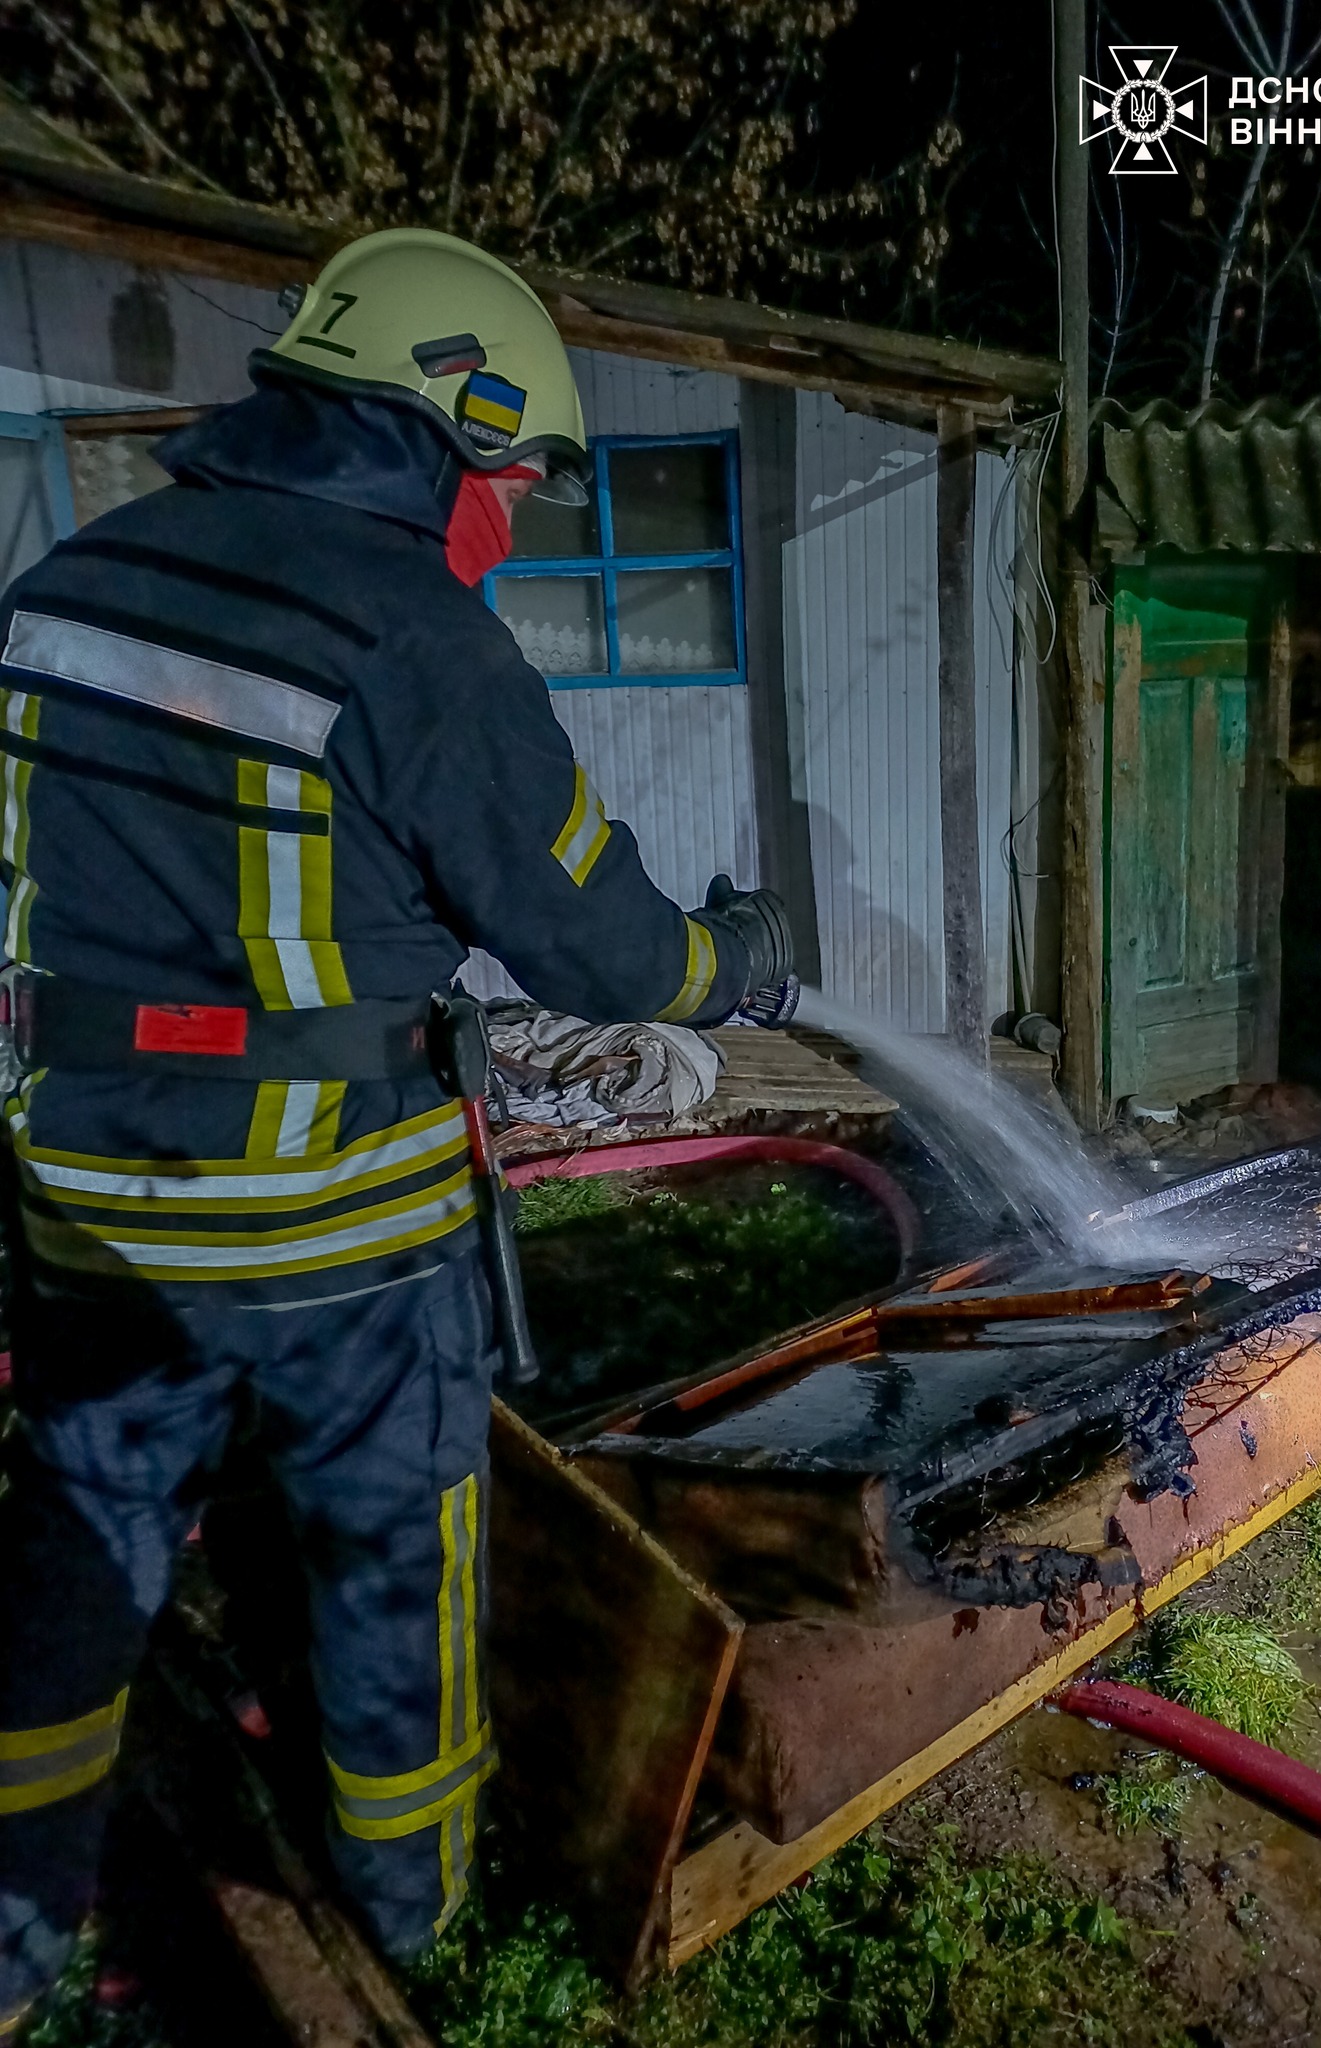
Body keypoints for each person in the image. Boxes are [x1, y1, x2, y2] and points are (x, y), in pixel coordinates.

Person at [0, 226, 793, 2035]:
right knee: (389, 1566)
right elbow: (604, 944)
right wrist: (733, 961)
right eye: (515, 476)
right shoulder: (413, 640)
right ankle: (415, 1922)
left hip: (88, 1205)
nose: (514, 515)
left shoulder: (65, 581)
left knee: (82, 1545)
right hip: (335, 1229)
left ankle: (15, 1930)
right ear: (455, 425)